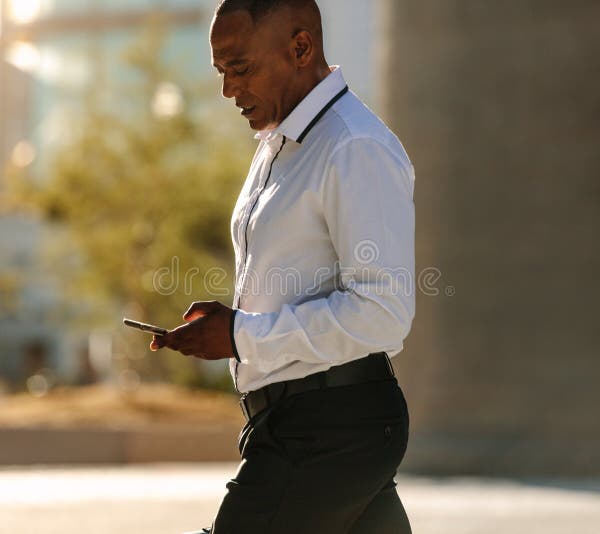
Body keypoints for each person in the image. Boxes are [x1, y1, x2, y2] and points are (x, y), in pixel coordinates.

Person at [151, 1, 416, 532]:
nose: (229, 89)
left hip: (331, 429)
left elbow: (383, 312)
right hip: (304, 423)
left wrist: (244, 336)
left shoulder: (353, 146)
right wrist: (234, 324)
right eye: (221, 72)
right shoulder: (280, 145)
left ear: (301, 48)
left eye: (241, 67)